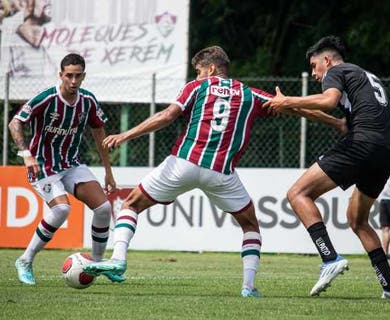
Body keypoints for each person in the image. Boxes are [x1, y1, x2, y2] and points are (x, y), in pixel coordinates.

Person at [82, 46, 275, 297]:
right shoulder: (249, 93)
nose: (196, 76)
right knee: (250, 226)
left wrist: (126, 134)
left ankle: (118, 259)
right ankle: (248, 288)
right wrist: (331, 118)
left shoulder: (196, 88)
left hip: (184, 163)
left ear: (212, 69)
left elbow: (167, 115)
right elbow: (288, 105)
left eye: (198, 71)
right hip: (221, 172)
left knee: (131, 204)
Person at [263, 35, 390, 299]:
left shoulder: (337, 71)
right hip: (385, 154)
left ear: (327, 60)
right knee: (358, 220)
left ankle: (329, 258)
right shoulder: (366, 79)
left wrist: (288, 100)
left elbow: (328, 101)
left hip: (361, 145)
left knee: (297, 194)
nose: (314, 73)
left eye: (314, 66)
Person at [8, 53, 121, 285]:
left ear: (83, 76)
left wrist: (108, 171)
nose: (73, 80)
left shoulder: (87, 101)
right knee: (62, 211)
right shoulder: (47, 98)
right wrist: (26, 155)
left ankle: (97, 263)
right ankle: (25, 260)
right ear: (61, 75)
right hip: (42, 166)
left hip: (71, 164)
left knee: (102, 208)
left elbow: (99, 133)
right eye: (69, 75)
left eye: (78, 76)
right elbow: (15, 122)